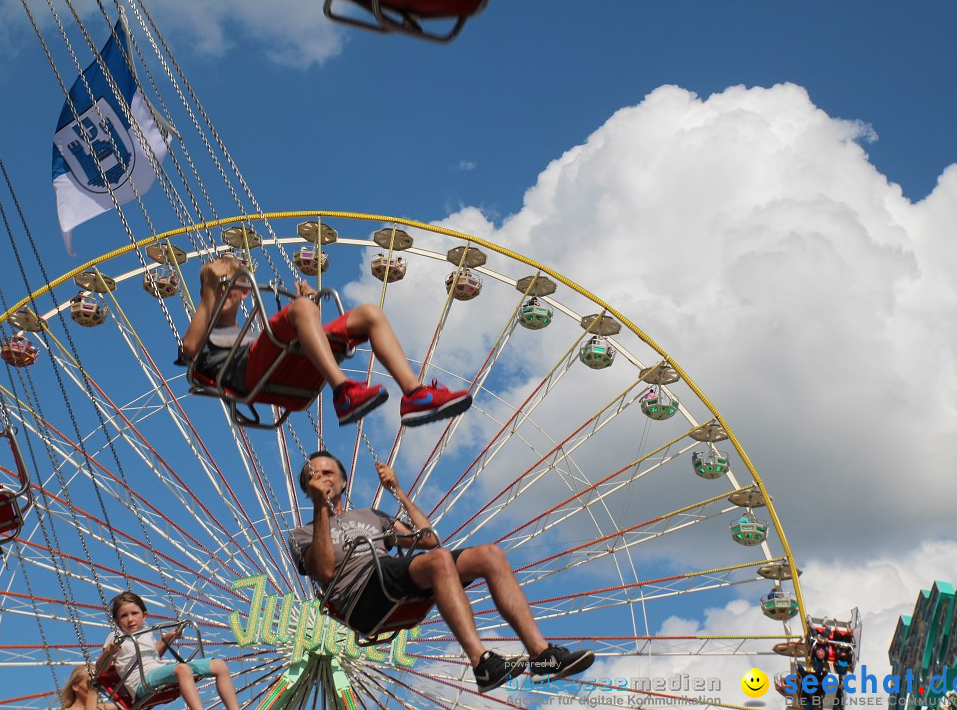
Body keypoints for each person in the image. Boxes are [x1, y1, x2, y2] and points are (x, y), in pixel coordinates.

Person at [288, 451, 594, 693]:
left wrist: (396, 490)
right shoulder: (302, 534)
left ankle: (542, 656)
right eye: (314, 475)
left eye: (329, 473)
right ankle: (482, 663)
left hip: (392, 579)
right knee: (439, 561)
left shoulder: (371, 515)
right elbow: (325, 570)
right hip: (360, 598)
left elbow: (429, 539)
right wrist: (319, 507)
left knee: (489, 555)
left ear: (343, 482)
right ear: (307, 487)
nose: (323, 478)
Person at [182, 256, 472, 427]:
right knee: (298, 311)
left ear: (246, 293)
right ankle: (343, 392)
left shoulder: (254, 334)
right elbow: (191, 350)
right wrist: (209, 292)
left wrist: (307, 304)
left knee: (369, 313)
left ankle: (415, 395)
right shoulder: (203, 333)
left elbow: (308, 336)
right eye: (220, 286)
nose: (226, 291)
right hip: (244, 373)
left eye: (233, 286)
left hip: (279, 365)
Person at [97, 591, 239, 710]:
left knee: (219, 665)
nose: (130, 619)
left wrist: (167, 639)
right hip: (142, 684)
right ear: (116, 621)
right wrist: (109, 652)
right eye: (124, 616)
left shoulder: (147, 632)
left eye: (134, 613)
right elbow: (99, 670)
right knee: (182, 669)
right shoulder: (116, 637)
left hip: (157, 674)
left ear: (144, 615)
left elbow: (153, 655)